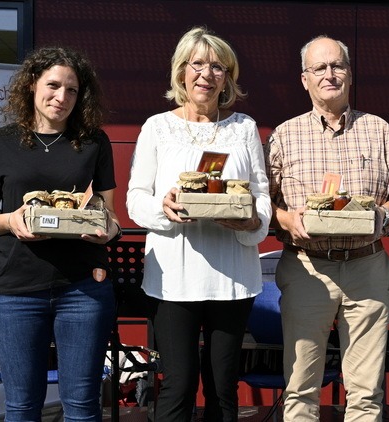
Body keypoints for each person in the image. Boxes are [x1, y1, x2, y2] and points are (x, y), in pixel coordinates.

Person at [126, 27, 271, 422]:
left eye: (217, 67)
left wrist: (249, 221)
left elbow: (260, 193)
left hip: (233, 278)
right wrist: (166, 207)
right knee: (178, 384)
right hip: (173, 278)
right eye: (197, 64)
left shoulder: (243, 127)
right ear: (181, 72)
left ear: (228, 77)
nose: (206, 74)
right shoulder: (157, 127)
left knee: (223, 386)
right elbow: (136, 197)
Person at [0, 47, 121, 422]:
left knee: (83, 406)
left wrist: (108, 232)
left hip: (82, 289)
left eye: (72, 90)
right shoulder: (0, 142)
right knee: (21, 407)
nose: (62, 97)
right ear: (32, 85)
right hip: (17, 291)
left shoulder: (93, 142)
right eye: (53, 85)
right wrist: (10, 221)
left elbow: (109, 214)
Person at [264, 35, 389, 421]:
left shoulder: (379, 130)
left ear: (349, 73)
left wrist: (383, 215)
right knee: (300, 389)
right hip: (307, 268)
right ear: (304, 79)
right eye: (320, 68)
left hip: (367, 269)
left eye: (337, 65)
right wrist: (287, 219)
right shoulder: (283, 135)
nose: (330, 74)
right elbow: (265, 203)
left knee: (366, 393)